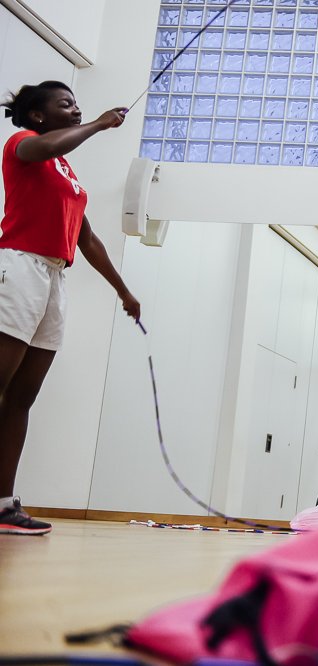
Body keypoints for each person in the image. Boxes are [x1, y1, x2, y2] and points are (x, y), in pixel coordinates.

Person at [0, 82, 140, 536]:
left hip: (54, 276)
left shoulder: (65, 171)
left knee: (21, 399)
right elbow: (39, 151)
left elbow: (87, 237)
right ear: (38, 117)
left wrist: (123, 290)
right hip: (18, 266)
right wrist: (100, 123)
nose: (76, 108)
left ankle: (3, 505)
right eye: (66, 104)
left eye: (77, 104)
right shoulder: (24, 144)